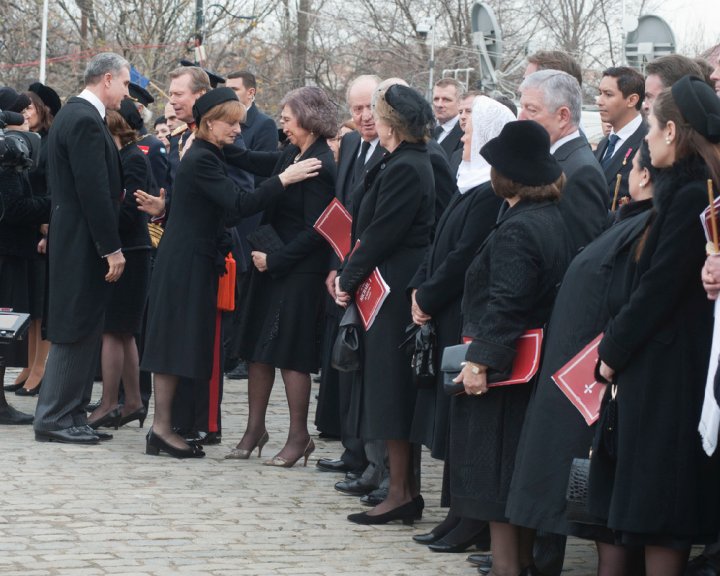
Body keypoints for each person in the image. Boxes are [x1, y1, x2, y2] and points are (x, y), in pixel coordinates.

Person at [139, 87, 324, 458]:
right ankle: (160, 429)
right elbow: (239, 203)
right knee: (173, 341)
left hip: (193, 258)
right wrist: (286, 178)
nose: (239, 129)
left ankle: (164, 427)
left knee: (180, 340)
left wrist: (292, 159)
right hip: (186, 262)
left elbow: (253, 160)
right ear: (210, 123)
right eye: (232, 123)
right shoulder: (203, 158)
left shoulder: (211, 148)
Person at [502, 140, 658, 576]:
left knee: (602, 496)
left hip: (598, 375)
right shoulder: (630, 220)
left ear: (644, 176)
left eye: (633, 168)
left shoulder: (648, 227)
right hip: (576, 370)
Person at [593, 76, 720, 576]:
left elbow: (659, 288)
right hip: (664, 360)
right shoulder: (687, 190)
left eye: (648, 125)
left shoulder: (694, 195)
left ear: (671, 131)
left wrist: (613, 349)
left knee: (662, 504)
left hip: (671, 368)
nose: (643, 138)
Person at [450, 119, 571, 576]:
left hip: (508, 375)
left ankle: (508, 569)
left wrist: (480, 360)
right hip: (531, 368)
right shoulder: (549, 217)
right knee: (511, 483)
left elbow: (507, 301)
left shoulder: (520, 228)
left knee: (495, 482)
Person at [408, 95, 514, 551]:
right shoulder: (467, 179)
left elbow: (464, 254)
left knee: (467, 419)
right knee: (454, 417)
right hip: (445, 306)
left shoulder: (489, 192)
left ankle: (469, 517)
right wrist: (420, 289)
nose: (464, 132)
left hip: (459, 310)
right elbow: (438, 244)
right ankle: (457, 511)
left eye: (472, 125)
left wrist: (428, 296)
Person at [334, 83, 435, 525]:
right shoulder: (399, 161)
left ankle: (400, 493)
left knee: (392, 389)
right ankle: (402, 489)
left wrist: (349, 276)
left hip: (394, 283)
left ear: (393, 121)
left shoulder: (409, 166)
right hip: (387, 279)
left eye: (376, 111)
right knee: (386, 386)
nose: (370, 117)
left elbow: (382, 232)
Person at [223, 86, 336, 467]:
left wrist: (276, 260)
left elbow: (317, 231)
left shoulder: (320, 163)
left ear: (307, 117)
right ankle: (255, 430)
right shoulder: (292, 153)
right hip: (267, 265)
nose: (282, 125)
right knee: (257, 352)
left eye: (287, 119)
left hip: (297, 271)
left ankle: (299, 437)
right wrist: (214, 144)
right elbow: (259, 162)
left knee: (291, 356)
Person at [33, 52, 129, 445]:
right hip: (82, 239)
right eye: (124, 84)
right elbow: (94, 192)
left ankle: (71, 411)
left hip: (73, 234)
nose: (126, 94)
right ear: (107, 79)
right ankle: (55, 416)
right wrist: (111, 248)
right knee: (75, 324)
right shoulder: (85, 120)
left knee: (85, 323)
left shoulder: (76, 116)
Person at [314, 75, 388, 495]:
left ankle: (369, 459)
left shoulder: (396, 153)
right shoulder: (355, 147)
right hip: (346, 269)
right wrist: (334, 264)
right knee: (345, 359)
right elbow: (341, 210)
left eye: (369, 108)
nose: (363, 117)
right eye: (356, 109)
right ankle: (352, 449)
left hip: (374, 276)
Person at [86, 104, 154, 430]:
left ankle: (111, 403)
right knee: (122, 332)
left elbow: (130, 211)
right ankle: (133, 401)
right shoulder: (124, 157)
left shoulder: (133, 159)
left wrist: (98, 222)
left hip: (132, 251)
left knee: (114, 330)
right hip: (129, 250)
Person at [0, 96, 51, 424]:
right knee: (2, 330)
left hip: (11, 253)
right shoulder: (7, 162)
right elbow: (13, 208)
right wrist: (51, 204)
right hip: (8, 255)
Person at [518, 69, 608, 254]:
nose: (521, 118)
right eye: (522, 108)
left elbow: (580, 252)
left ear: (563, 116)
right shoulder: (551, 157)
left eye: (531, 110)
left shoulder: (581, 172)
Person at [595, 67, 647, 203]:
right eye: (599, 93)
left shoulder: (648, 143)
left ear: (632, 100)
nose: (599, 101)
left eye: (608, 94)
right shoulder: (604, 143)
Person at [432, 78, 464, 159]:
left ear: (460, 102)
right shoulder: (424, 128)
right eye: (436, 99)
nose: (439, 104)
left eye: (446, 100)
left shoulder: (465, 133)